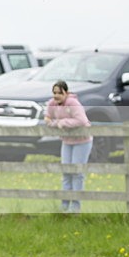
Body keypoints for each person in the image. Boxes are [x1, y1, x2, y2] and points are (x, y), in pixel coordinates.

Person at [44, 80, 92, 213]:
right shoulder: (52, 104)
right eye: (54, 93)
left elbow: (82, 121)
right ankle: (64, 206)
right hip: (67, 141)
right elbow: (47, 119)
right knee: (66, 172)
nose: (56, 96)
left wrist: (62, 122)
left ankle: (75, 206)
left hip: (82, 141)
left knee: (77, 173)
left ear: (66, 93)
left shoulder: (73, 103)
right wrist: (55, 123)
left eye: (59, 93)